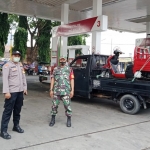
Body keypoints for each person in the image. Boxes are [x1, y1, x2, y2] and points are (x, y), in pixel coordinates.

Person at [0, 51, 27, 140]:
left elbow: (23, 77)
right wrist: (6, 92)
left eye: (18, 56)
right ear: (12, 56)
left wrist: (25, 88)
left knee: (17, 110)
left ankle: (16, 126)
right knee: (8, 111)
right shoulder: (7, 66)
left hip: (20, 91)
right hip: (11, 92)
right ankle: (3, 131)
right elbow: (5, 80)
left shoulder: (20, 65)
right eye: (15, 55)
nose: (17, 57)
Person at [49, 56, 74, 127]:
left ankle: (69, 119)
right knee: (54, 106)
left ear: (65, 60)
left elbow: (72, 80)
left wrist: (72, 90)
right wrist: (51, 89)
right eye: (61, 59)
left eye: (63, 59)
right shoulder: (55, 69)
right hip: (56, 91)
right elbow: (53, 79)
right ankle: (53, 119)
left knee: (67, 106)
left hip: (66, 91)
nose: (62, 60)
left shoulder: (69, 69)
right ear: (59, 60)